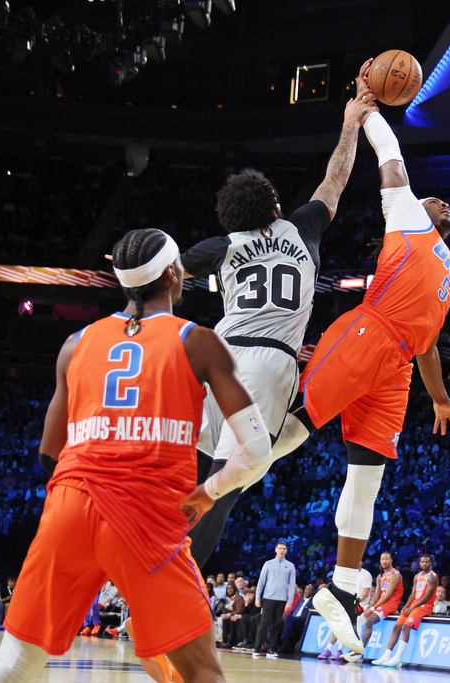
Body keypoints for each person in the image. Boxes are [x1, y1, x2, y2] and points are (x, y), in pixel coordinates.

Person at [0, 228, 267, 683]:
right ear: (172, 274)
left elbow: (49, 453)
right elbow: (256, 450)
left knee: (10, 668)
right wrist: (209, 492)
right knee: (202, 672)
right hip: (146, 517)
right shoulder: (197, 340)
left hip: (70, 504)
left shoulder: (75, 344)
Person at [236, 57, 450, 654]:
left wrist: (439, 396)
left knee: (366, 481)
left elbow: (430, 343)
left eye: (444, 202)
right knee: (292, 434)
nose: (441, 201)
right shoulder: (407, 217)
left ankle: (339, 589)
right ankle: (219, 485)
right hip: (368, 333)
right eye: (434, 197)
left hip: (397, 366)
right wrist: (367, 109)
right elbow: (391, 157)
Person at [181, 68, 379, 568]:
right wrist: (351, 122)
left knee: (201, 469)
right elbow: (336, 178)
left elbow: (171, 269)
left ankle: (152, 568)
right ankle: (176, 589)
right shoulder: (301, 228)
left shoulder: (224, 245)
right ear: (273, 205)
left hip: (215, 355)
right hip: (267, 364)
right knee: (227, 482)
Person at [371, 554, 437, 668]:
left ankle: (397, 658)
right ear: (419, 563)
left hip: (425, 606)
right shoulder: (417, 576)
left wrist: (412, 608)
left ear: (431, 563)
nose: (424, 564)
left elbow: (427, 596)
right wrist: (406, 606)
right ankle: (386, 655)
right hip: (414, 604)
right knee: (397, 626)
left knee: (406, 626)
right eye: (422, 562)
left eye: (427, 562)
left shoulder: (433, 576)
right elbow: (413, 594)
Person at [344, 551, 403, 664]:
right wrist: (369, 606)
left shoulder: (395, 574)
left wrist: (372, 609)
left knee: (369, 620)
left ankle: (359, 652)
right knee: (361, 618)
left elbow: (388, 596)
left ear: (391, 561)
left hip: (391, 603)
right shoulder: (380, 576)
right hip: (381, 603)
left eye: (386, 559)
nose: (384, 561)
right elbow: (376, 594)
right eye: (382, 559)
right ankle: (356, 651)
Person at [319, 561, 372, 661]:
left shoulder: (366, 575)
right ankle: (328, 649)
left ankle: (340, 650)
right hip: (348, 603)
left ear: (362, 562)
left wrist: (354, 601)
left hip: (361, 605)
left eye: (359, 559)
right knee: (338, 623)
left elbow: (365, 594)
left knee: (347, 622)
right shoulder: (348, 575)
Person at [253, 541, 295, 659]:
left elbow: (292, 584)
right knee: (264, 622)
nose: (282, 550)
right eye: (280, 548)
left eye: (284, 548)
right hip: (268, 598)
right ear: (275, 550)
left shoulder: (290, 565)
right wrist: (257, 598)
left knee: (276, 625)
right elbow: (261, 581)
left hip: (281, 599)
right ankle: (257, 648)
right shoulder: (268, 564)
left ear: (286, 551)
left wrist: (289, 601)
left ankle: (271, 648)